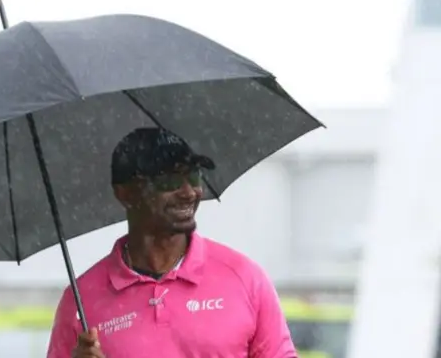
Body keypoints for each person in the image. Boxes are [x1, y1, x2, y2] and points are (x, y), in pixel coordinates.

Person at [46, 127, 297, 358]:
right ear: (126, 193)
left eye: (194, 177)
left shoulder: (245, 278)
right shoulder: (81, 299)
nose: (189, 192)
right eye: (170, 182)